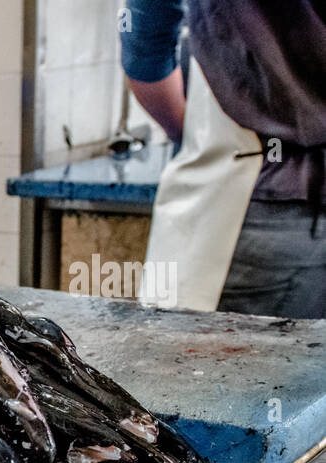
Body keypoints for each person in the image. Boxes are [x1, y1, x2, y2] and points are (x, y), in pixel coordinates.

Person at [121, 1, 325, 318]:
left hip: (251, 204)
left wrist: (194, 132)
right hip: (266, 200)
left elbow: (145, 48)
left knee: (207, 364)